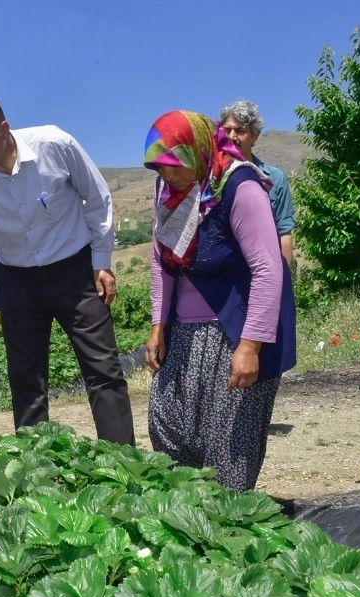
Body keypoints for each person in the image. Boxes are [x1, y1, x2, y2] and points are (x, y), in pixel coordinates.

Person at [0, 95, 134, 445]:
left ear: (4, 129)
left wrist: (102, 261)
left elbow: (97, 197)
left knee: (103, 371)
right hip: (17, 279)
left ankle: (122, 463)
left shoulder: (54, 144)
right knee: (26, 379)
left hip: (75, 272)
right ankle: (36, 469)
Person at [142, 110, 296, 492]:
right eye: (159, 168)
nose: (167, 177)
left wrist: (250, 347)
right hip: (185, 328)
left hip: (238, 328)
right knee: (168, 424)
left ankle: (227, 527)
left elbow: (268, 269)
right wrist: (158, 325)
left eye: (174, 166)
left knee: (228, 443)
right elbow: (161, 259)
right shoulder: (170, 192)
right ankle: (190, 519)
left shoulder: (240, 186)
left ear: (198, 152)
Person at [219, 100, 297, 267]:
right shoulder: (210, 177)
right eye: (227, 130)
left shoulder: (275, 179)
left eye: (240, 131)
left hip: (261, 273)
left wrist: (284, 286)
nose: (232, 137)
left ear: (254, 135)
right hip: (221, 277)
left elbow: (284, 234)